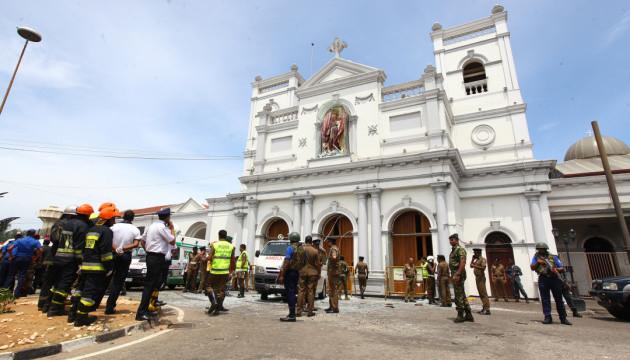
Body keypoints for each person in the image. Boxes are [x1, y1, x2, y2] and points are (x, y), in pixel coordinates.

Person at [74, 207, 118, 326]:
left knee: (80, 290)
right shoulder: (107, 231)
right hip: (97, 268)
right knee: (89, 293)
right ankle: (81, 318)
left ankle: (73, 314)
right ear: (109, 219)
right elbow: (106, 252)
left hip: (86, 266)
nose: (115, 221)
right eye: (114, 218)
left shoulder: (91, 229)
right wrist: (109, 267)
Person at [48, 204, 93, 317]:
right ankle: (55, 309)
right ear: (87, 215)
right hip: (70, 260)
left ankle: (48, 305)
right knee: (65, 284)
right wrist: (80, 262)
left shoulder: (67, 224)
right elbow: (79, 248)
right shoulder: (83, 227)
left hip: (59, 257)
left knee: (57, 283)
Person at [136, 208, 175, 321]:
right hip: (157, 258)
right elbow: (172, 241)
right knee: (149, 285)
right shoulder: (163, 227)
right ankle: (141, 312)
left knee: (152, 285)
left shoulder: (151, 226)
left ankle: (146, 310)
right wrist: (171, 228)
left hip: (151, 256)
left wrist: (148, 251)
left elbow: (142, 241)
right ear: (168, 217)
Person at [38, 205, 75, 312]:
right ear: (69, 215)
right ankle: (47, 304)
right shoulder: (62, 224)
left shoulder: (60, 224)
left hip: (57, 257)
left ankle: (45, 304)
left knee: (52, 282)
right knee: (53, 281)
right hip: (57, 257)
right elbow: (56, 239)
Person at [105, 210, 141, 314]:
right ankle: (110, 307)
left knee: (105, 278)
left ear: (123, 217)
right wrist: (122, 249)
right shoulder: (135, 229)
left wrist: (116, 249)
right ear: (132, 218)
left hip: (112, 253)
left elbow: (108, 240)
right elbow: (135, 244)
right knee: (118, 282)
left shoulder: (114, 227)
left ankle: (94, 304)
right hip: (125, 255)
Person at [530, 242, 571, 325]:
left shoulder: (553, 257)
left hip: (555, 278)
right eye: (539, 249)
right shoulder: (536, 257)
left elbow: (562, 268)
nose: (540, 251)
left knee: (559, 299)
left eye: (542, 249)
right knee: (545, 299)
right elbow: (532, 267)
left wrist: (556, 269)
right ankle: (547, 317)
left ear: (545, 249)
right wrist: (538, 263)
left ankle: (563, 318)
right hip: (543, 278)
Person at [206, 230, 235, 316]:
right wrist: (232, 271)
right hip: (225, 272)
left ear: (219, 236)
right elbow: (233, 260)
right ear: (226, 236)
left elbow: (210, 257)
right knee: (221, 290)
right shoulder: (231, 246)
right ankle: (217, 309)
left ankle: (213, 302)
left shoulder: (215, 245)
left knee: (208, 286)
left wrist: (206, 258)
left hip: (215, 270)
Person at [278, 232, 304, 322]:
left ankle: (292, 315)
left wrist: (282, 274)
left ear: (291, 239)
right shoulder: (301, 248)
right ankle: (291, 313)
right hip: (297, 272)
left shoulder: (290, 248)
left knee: (290, 293)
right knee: (292, 292)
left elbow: (286, 262)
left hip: (289, 272)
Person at [9, 229, 42, 298]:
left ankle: (6, 292)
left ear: (27, 233)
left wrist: (11, 256)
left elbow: (9, 249)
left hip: (17, 258)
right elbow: (40, 251)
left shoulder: (19, 240)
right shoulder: (35, 241)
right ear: (34, 234)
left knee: (12, 274)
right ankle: (17, 293)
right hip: (27, 259)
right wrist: (35, 258)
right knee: (22, 276)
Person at [449, 234, 474, 323]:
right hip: (455, 274)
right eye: (450, 240)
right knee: (462, 295)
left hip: (458, 275)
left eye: (452, 240)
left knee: (458, 295)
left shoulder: (460, 250)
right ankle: (468, 314)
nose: (451, 241)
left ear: (456, 240)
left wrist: (458, 274)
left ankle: (460, 314)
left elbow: (462, 262)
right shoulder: (453, 250)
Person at [296, 236, 320, 317]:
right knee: (310, 291)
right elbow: (317, 264)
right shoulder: (315, 251)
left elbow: (297, 261)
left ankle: (298, 311)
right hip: (312, 273)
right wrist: (318, 273)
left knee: (301, 291)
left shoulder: (300, 249)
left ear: (305, 241)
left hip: (302, 272)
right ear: (311, 242)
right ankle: (310, 311)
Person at [471, 248, 490, 315]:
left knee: (483, 293)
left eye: (475, 253)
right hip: (478, 278)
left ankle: (487, 309)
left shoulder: (483, 259)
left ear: (478, 253)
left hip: (481, 277)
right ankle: (484, 307)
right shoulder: (477, 260)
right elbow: (471, 266)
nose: (474, 254)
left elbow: (483, 268)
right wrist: (473, 259)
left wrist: (474, 265)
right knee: (481, 293)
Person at [325, 238, 341, 313]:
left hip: (333, 272)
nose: (327, 243)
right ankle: (331, 306)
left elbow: (334, 257)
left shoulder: (333, 249)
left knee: (333, 290)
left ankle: (334, 308)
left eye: (328, 242)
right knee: (331, 289)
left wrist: (330, 258)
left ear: (331, 242)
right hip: (332, 272)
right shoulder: (334, 248)